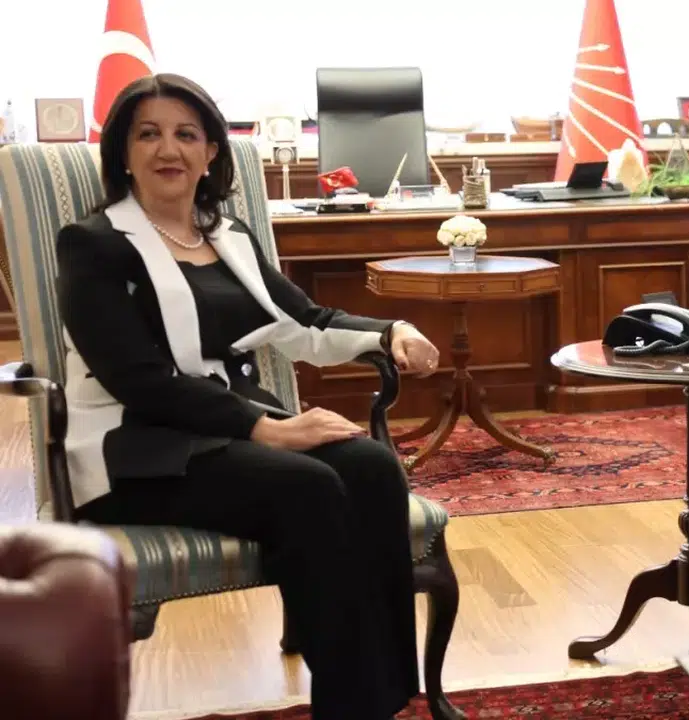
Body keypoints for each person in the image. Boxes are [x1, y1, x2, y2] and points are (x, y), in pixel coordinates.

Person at [57, 73, 441, 720]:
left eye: (186, 134)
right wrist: (266, 430)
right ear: (123, 152)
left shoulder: (228, 235)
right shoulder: (93, 245)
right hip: (136, 449)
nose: (168, 149)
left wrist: (391, 330)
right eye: (148, 134)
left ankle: (387, 694)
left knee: (372, 467)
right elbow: (136, 381)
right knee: (305, 485)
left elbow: (305, 323)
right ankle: (352, 706)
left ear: (211, 151)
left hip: (225, 432)